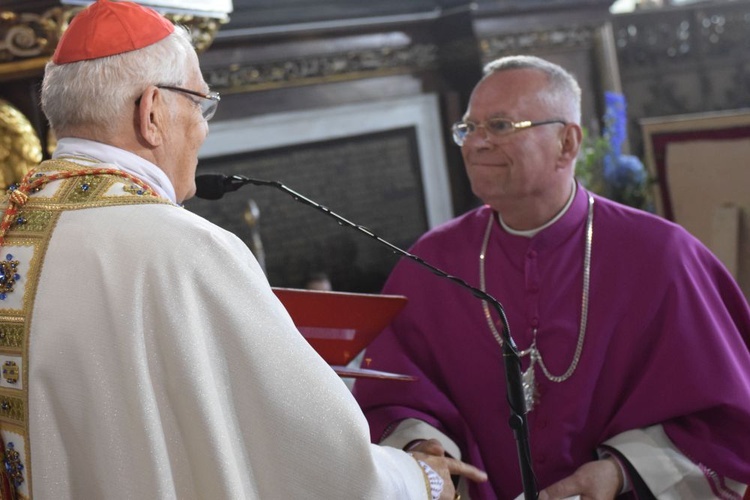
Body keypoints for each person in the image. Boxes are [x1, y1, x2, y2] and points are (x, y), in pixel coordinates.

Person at [0, 1, 487, 498]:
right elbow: (317, 455)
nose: (204, 128)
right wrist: (419, 480)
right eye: (199, 103)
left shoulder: (9, 225)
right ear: (151, 113)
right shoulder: (185, 251)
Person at [353, 55, 750, 499]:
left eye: (500, 126)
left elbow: (726, 414)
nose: (476, 143)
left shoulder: (663, 257)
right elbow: (391, 394)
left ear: (567, 142)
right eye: (468, 128)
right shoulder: (432, 262)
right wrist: (424, 452)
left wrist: (620, 471)